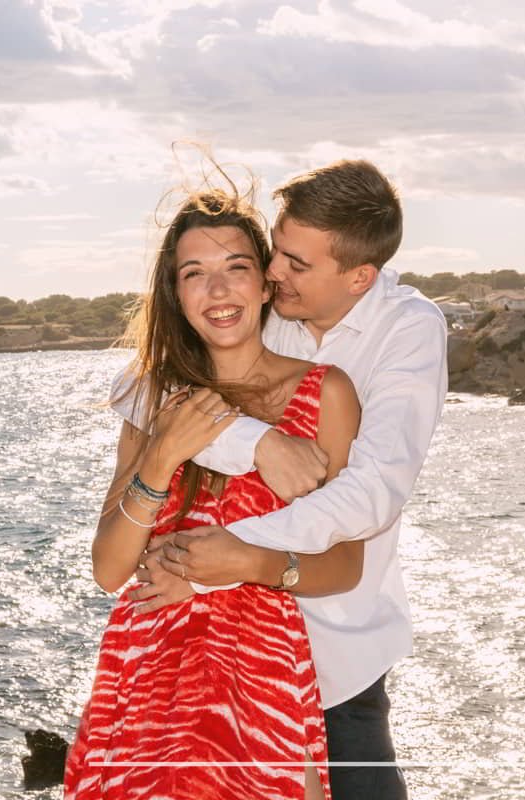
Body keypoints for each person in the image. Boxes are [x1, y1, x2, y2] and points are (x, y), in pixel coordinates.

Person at [125, 160, 448, 800]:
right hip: (222, 647)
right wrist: (260, 442)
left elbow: (373, 492)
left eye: (298, 264)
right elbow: (144, 392)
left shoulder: (407, 330)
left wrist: (233, 550)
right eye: (278, 251)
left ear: (360, 276)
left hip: (336, 647)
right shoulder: (273, 304)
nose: (273, 273)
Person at [63, 183, 364, 800]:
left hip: (258, 672)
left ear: (264, 283)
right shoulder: (152, 399)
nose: (219, 291)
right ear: (176, 294)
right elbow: (109, 567)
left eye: (236, 268)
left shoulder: (324, 393)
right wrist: (164, 451)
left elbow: (345, 565)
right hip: (148, 664)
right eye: (195, 273)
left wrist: (245, 563)